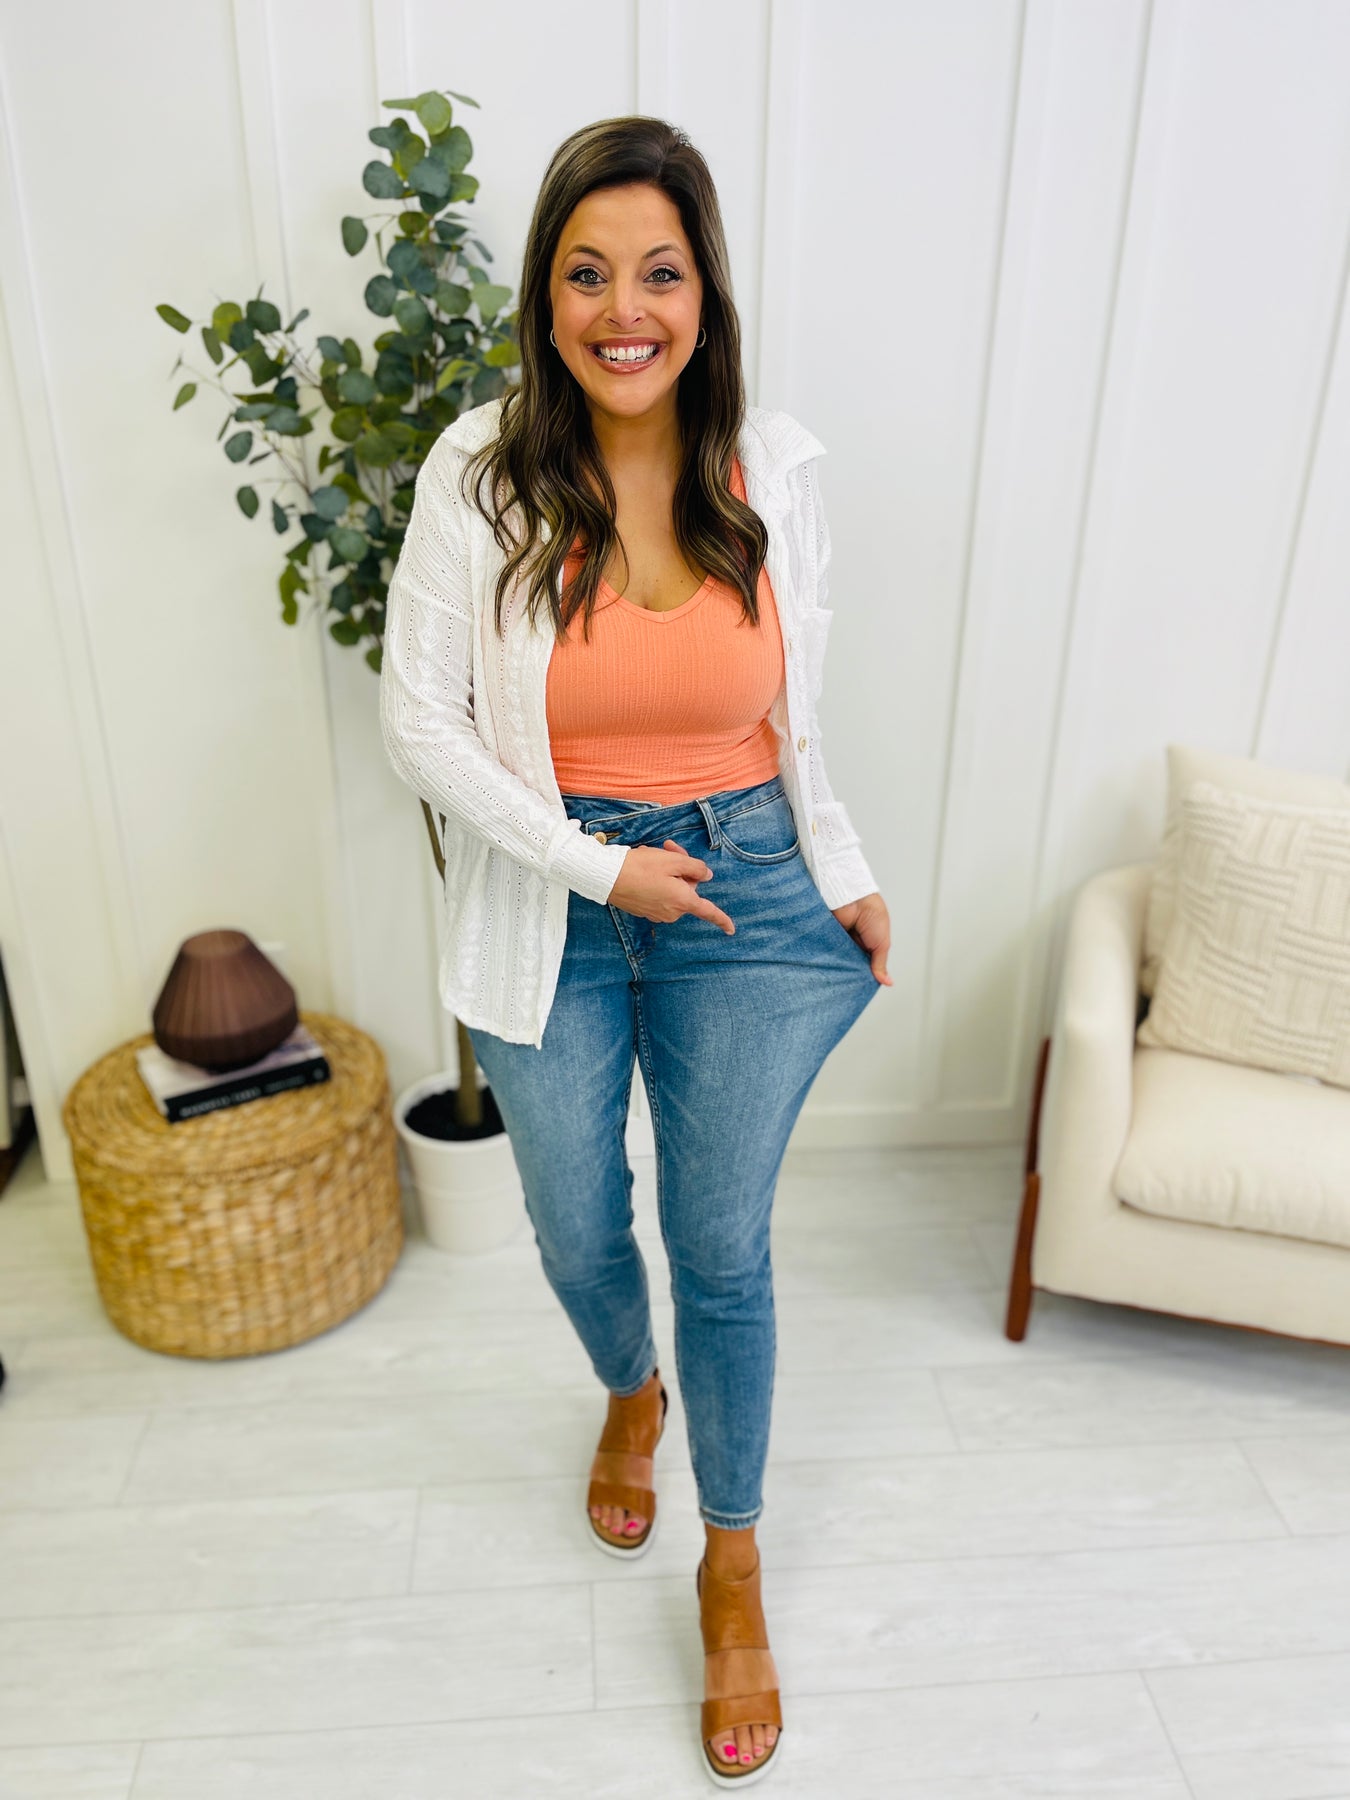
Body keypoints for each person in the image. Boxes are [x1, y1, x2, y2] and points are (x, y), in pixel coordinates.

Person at [380, 114, 891, 1788]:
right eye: (586, 273)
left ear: (702, 293)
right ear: (544, 298)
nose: (624, 310)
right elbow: (419, 728)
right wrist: (599, 867)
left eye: (657, 273)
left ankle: (730, 1564)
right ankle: (627, 1386)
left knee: (721, 1244)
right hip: (554, 893)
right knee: (574, 1218)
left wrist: (844, 869)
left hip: (745, 890)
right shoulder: (478, 474)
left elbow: (796, 717)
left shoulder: (771, 471)